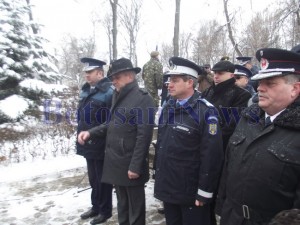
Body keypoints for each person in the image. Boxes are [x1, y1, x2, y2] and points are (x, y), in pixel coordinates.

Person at [217, 47, 300, 225]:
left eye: (270, 83)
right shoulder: (248, 118)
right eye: (260, 81)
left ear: (295, 89)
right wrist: (222, 207)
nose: (259, 88)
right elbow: (229, 167)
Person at [78, 57, 155, 225]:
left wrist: (135, 166)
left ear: (129, 76)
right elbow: (110, 123)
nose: (113, 82)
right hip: (116, 162)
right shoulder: (118, 95)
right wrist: (90, 133)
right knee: (122, 207)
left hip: (131, 164)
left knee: (135, 211)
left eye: (116, 78)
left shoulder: (143, 99)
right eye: (112, 78)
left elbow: (144, 137)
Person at [154, 56, 224, 225]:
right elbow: (163, 146)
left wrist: (204, 191)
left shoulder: (206, 112)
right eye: (169, 80)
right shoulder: (168, 106)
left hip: (191, 193)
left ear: (189, 83)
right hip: (169, 188)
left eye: (175, 80)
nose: (169, 84)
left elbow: (212, 155)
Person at [76, 57, 113, 225]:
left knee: (102, 179)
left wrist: (93, 134)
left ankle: (105, 210)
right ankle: (95, 206)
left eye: (90, 72)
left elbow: (111, 121)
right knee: (93, 177)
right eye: (86, 73)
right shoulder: (85, 90)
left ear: (100, 73)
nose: (87, 75)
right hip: (87, 143)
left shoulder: (109, 92)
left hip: (101, 143)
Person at [201, 60, 252, 152]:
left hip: (222, 146)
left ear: (231, 75)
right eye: (215, 73)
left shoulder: (241, 95)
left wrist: (210, 135)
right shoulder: (207, 92)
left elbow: (232, 125)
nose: (216, 76)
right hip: (201, 141)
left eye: (220, 73)